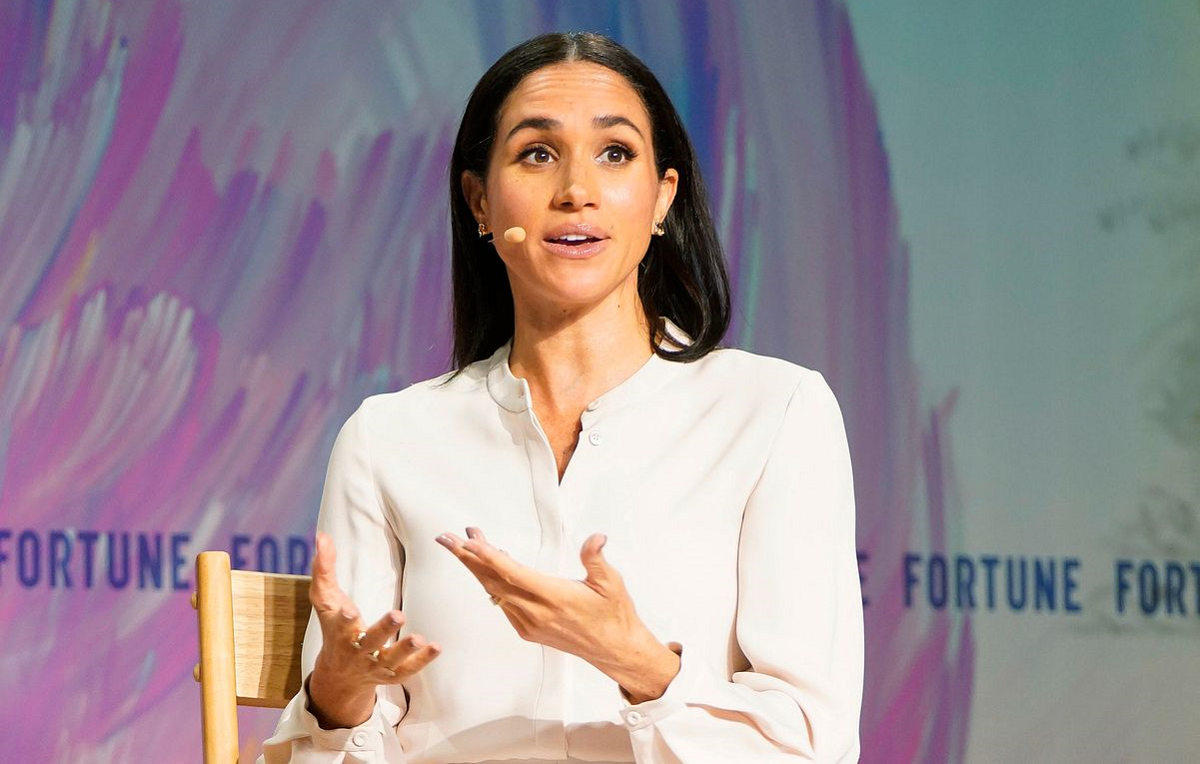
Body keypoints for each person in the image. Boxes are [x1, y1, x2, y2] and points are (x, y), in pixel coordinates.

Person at [260, 31, 863, 764]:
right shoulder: (387, 439)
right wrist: (335, 698)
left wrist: (638, 664)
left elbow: (811, 745)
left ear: (662, 198)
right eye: (537, 153)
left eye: (615, 153)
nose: (577, 190)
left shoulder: (774, 413)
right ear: (479, 201)